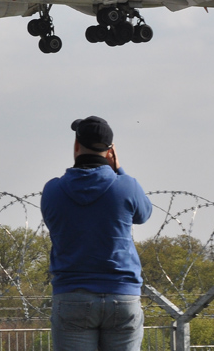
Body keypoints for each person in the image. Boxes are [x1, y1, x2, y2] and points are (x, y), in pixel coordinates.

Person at [41, 116, 153, 351]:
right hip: (122, 295)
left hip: (72, 294)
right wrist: (119, 169)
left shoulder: (53, 190)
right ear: (110, 150)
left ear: (76, 145)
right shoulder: (126, 186)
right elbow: (143, 214)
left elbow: (55, 223)